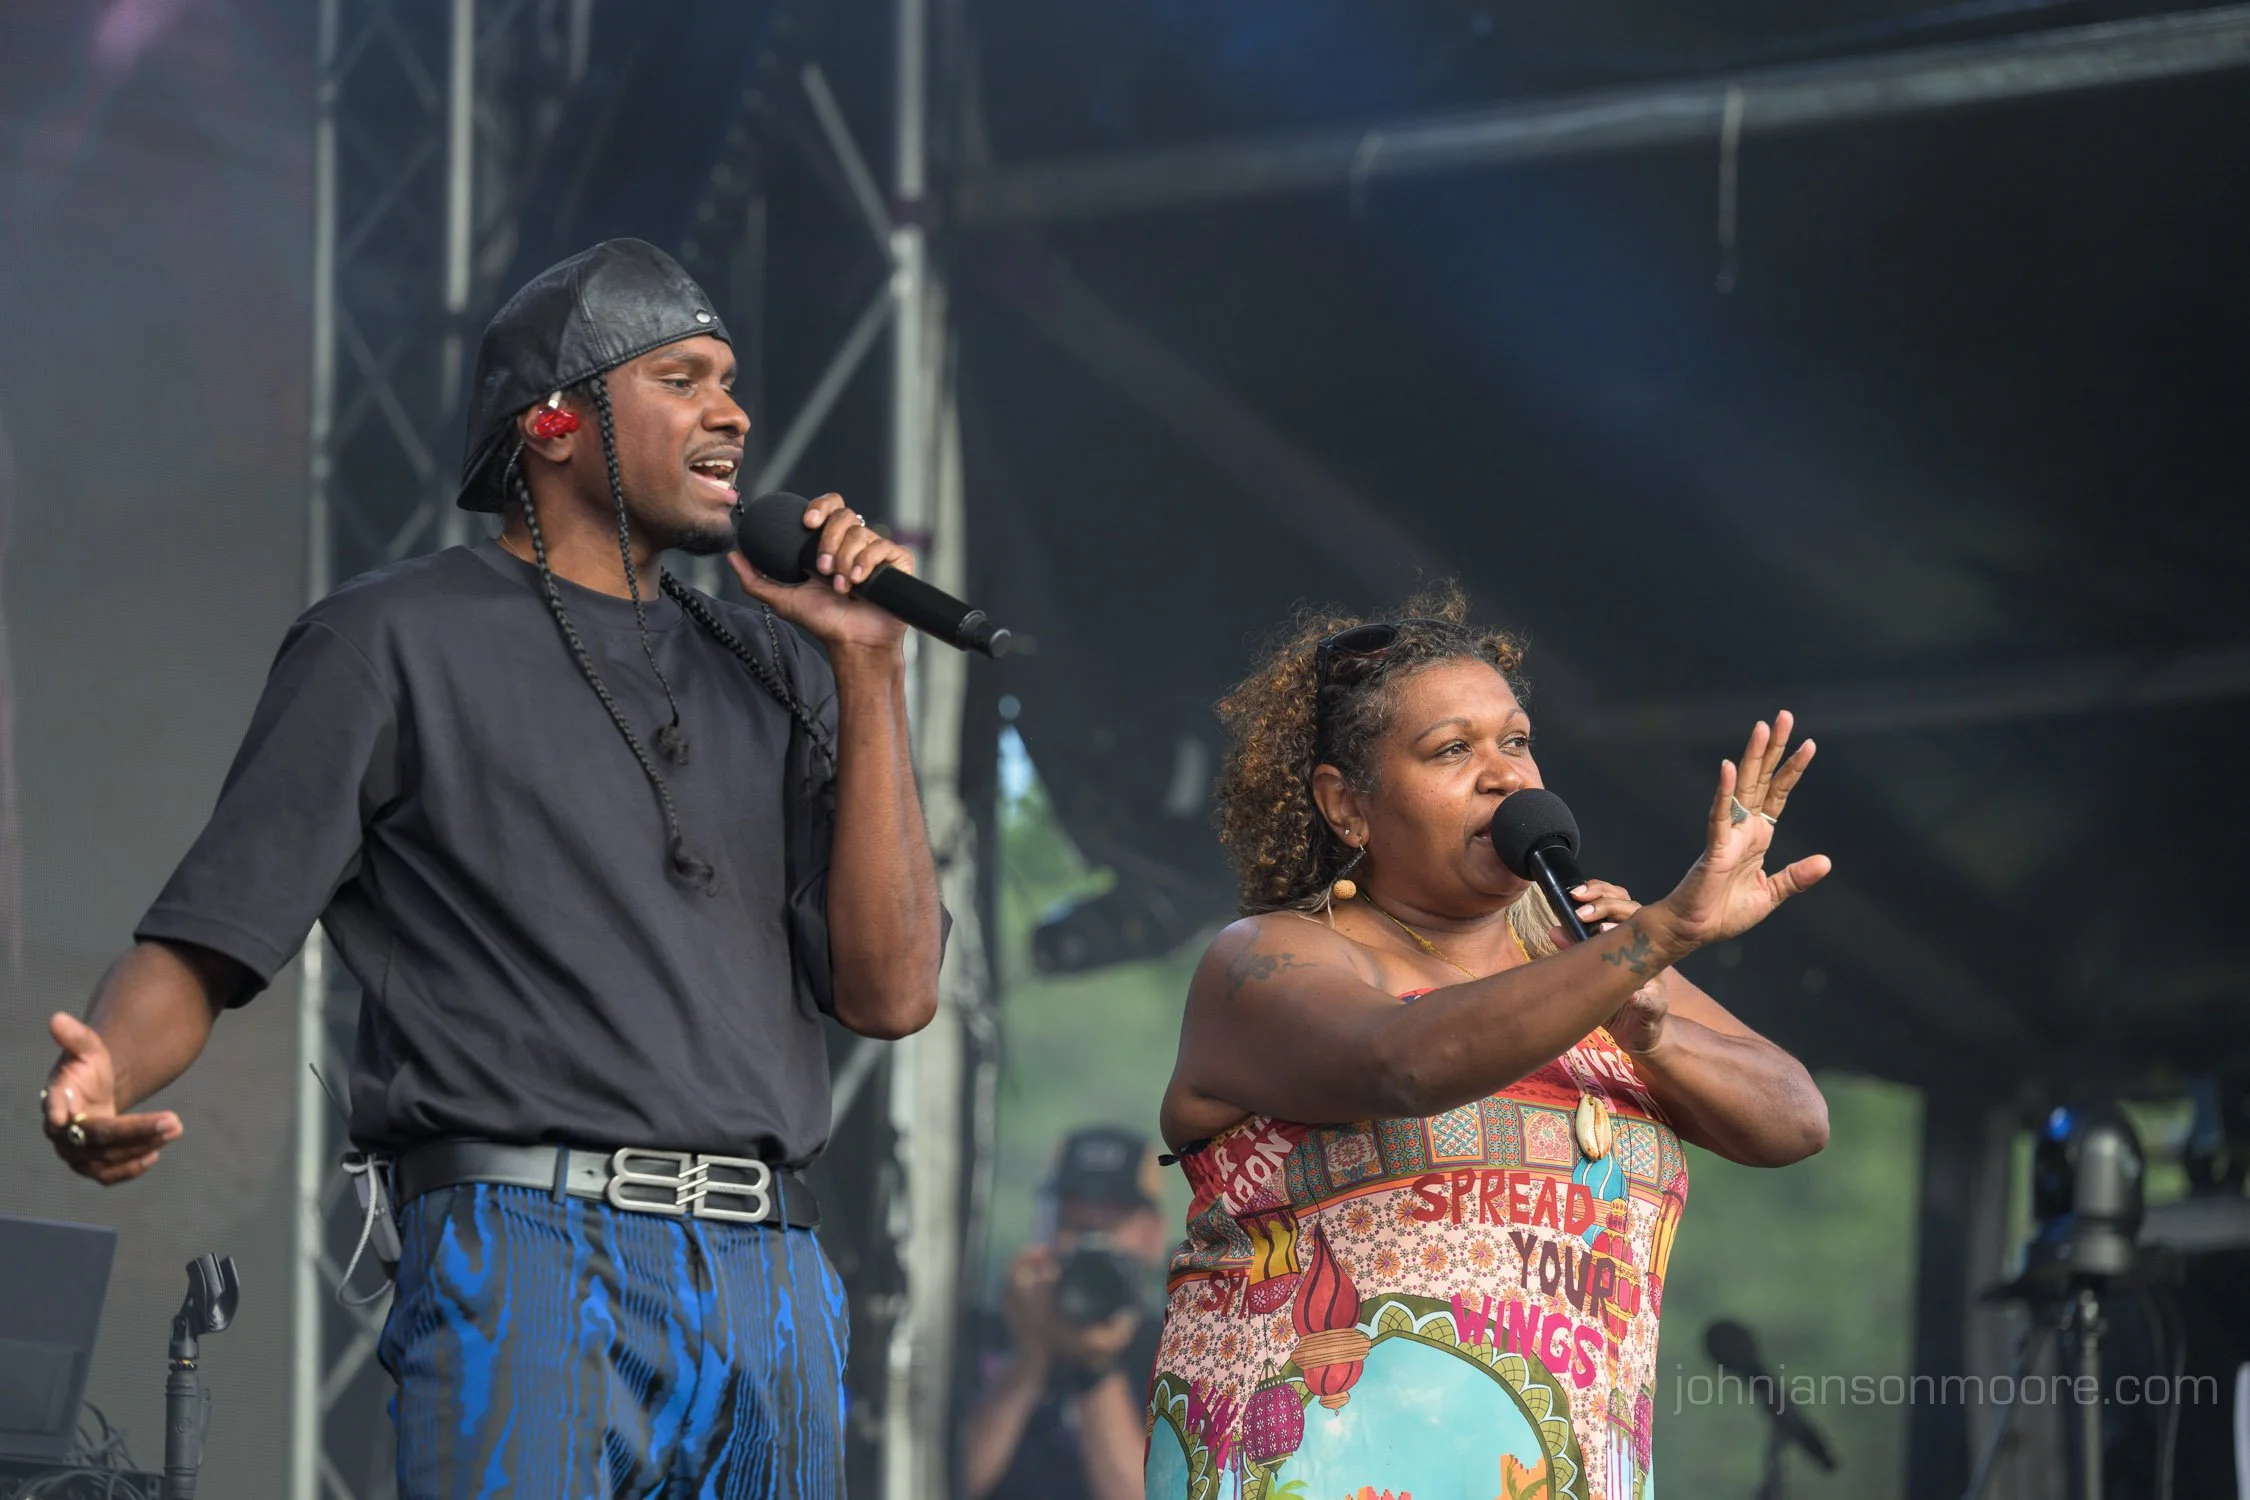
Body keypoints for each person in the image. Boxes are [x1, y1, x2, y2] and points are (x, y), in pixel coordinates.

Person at [36, 238, 945, 1498]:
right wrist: (107, 1073)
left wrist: (871, 667)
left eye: (731, 382)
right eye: (681, 378)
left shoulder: (778, 665)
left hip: (769, 1269)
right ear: (553, 422)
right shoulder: (391, 639)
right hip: (530, 1248)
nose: (732, 412)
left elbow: (893, 996)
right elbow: (210, 937)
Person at [1143, 590, 1833, 1500]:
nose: (1506, 776)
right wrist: (1654, 939)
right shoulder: (1266, 959)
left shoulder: (1590, 960)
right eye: (1451, 750)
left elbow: (1795, 1119)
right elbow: (1405, 1062)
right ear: (1347, 805)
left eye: (1516, 741)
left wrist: (1655, 1025)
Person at [967, 1126, 1173, 1500]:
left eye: (1110, 1225)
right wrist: (1030, 1355)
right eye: (1073, 1225)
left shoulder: (1178, 1354)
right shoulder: (991, 1331)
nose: (1091, 1244)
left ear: (1153, 1235)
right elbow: (943, 1480)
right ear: (1044, 1227)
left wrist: (1095, 1365)